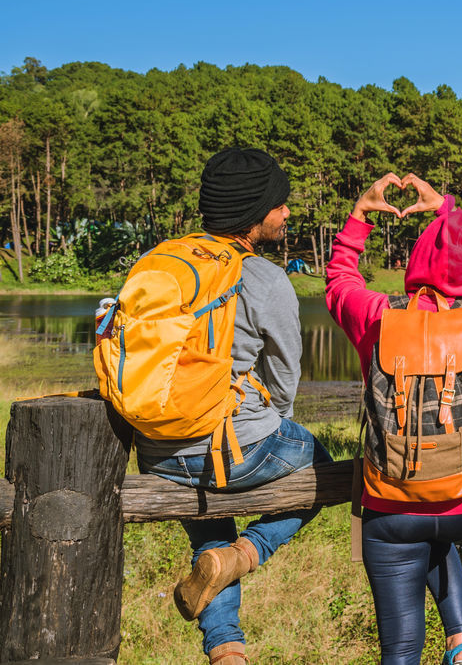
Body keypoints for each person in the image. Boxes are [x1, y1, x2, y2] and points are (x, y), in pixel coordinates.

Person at [134, 147, 332, 665]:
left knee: (209, 523)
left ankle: (226, 651)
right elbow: (285, 378)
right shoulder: (264, 278)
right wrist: (271, 423)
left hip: (157, 450)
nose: (287, 213)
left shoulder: (161, 261)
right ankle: (248, 553)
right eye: (280, 204)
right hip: (234, 446)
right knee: (329, 469)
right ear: (254, 211)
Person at [326, 172, 462, 665]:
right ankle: (460, 642)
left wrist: (360, 216)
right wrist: (448, 210)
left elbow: (340, 279)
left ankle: (453, 641)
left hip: (392, 509)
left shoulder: (376, 316)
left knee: (402, 649)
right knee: (437, 535)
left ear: (417, 262)